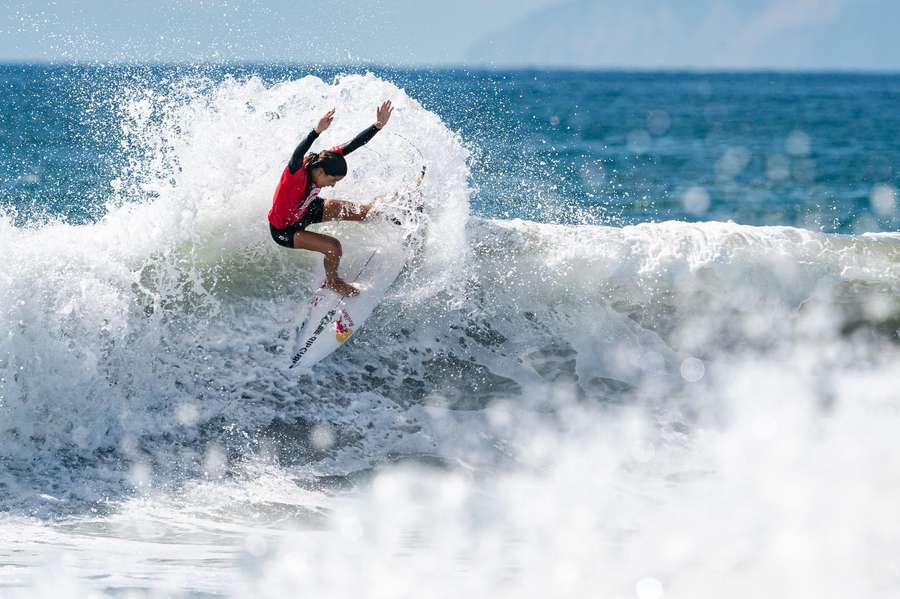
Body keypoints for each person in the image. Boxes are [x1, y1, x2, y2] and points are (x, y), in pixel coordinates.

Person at [268, 101, 393, 296]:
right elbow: (296, 154)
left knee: (361, 211)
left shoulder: (327, 159)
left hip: (308, 208)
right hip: (284, 229)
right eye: (332, 179)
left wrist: (377, 125)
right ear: (319, 171)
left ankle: (394, 210)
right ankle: (332, 281)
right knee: (333, 247)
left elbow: (353, 144)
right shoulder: (295, 174)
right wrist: (316, 131)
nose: (333, 184)